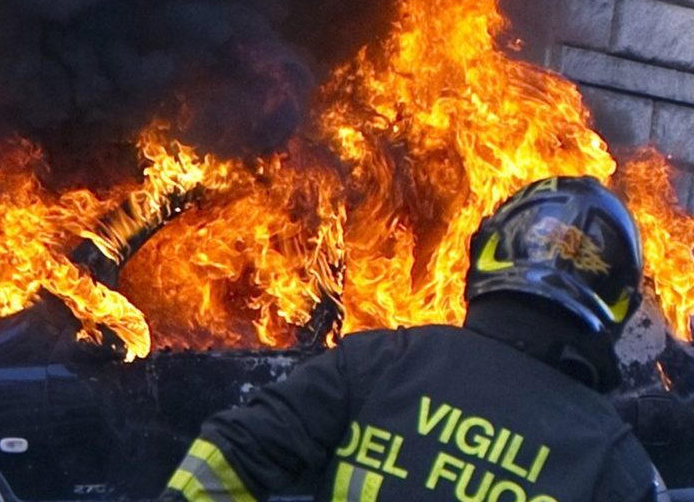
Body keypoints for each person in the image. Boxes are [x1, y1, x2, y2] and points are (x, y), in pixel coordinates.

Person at [159, 176, 656, 502]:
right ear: (617, 306)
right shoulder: (613, 463)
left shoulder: (378, 364)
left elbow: (234, 452)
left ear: (487, 254)